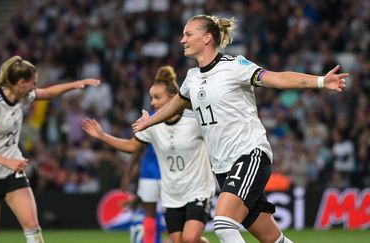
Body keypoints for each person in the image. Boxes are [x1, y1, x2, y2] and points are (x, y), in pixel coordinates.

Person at [132, 15, 348, 243]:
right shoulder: (192, 78)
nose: (182, 40)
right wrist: (151, 121)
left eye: (188, 34)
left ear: (207, 38)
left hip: (249, 155)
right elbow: (177, 103)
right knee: (274, 239)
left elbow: (276, 78)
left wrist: (321, 81)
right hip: (222, 167)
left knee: (223, 225)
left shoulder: (234, 66)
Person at [0, 56, 100, 243]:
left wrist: (76, 84)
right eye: (33, 83)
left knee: (33, 230)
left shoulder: (22, 96)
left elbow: (47, 93)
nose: (34, 88)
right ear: (20, 83)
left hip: (13, 172)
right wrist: (7, 161)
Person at [82, 65, 215, 243]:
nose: (152, 102)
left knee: (190, 238)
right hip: (171, 194)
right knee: (180, 240)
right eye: (151, 97)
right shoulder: (150, 123)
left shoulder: (195, 119)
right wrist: (101, 136)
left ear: (173, 97)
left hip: (198, 190)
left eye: (157, 97)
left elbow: (218, 136)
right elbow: (131, 147)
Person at [121, 144, 163, 243]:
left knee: (149, 215)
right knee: (174, 216)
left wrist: (127, 176)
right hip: (169, 173)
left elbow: (135, 149)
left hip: (148, 173)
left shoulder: (144, 128)